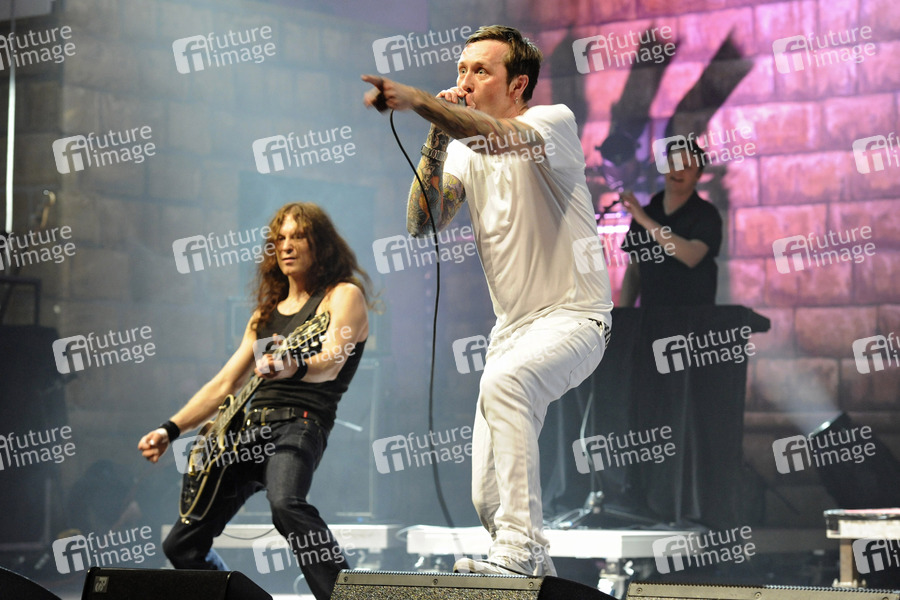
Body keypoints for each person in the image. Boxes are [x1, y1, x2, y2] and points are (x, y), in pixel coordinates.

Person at [362, 25, 612, 577]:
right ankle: (532, 572)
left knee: (507, 383)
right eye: (461, 69)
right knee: (488, 496)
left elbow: (493, 136)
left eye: (481, 70)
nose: (466, 79)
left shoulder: (551, 123)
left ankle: (519, 553)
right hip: (512, 332)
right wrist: (435, 133)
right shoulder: (463, 149)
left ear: (517, 84)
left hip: (576, 315)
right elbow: (422, 222)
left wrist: (421, 102)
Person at [138, 203, 372, 600]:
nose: (286, 246)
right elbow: (225, 383)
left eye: (298, 236)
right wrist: (170, 428)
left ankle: (348, 599)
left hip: (300, 423)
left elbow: (332, 361)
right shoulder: (264, 315)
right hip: (247, 432)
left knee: (286, 504)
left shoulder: (342, 295)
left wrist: (293, 366)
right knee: (181, 546)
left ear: (321, 243)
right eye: (280, 238)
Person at [618, 139, 723, 306]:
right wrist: (622, 314)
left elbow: (692, 256)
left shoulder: (706, 215)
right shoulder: (646, 213)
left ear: (698, 175)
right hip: (651, 316)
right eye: (673, 164)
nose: (678, 171)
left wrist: (645, 220)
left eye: (687, 167)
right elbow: (634, 270)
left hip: (694, 318)